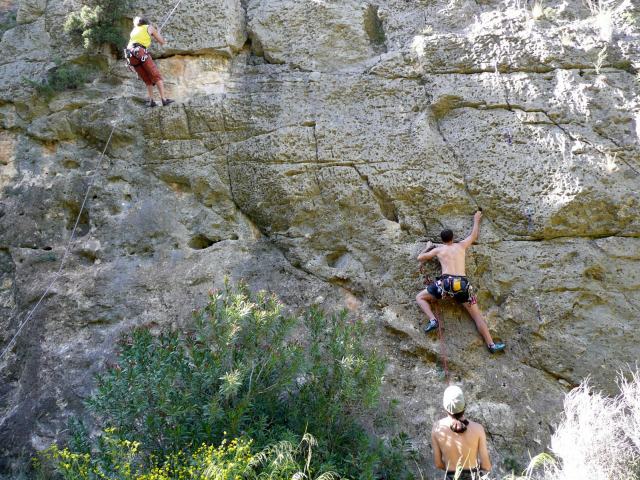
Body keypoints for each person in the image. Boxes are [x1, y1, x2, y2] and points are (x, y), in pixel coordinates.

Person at [416, 210, 505, 353]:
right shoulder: (461, 245)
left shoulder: (439, 250)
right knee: (477, 316)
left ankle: (433, 320)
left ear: (442, 240)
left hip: (446, 285)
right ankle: (491, 345)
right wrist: (476, 219)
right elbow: (474, 235)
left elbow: (420, 258)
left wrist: (428, 247)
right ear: (453, 238)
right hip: (462, 286)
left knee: (419, 297)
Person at [431, 385, 492, 479]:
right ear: (464, 405)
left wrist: (452, 470)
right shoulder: (478, 429)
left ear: (445, 406)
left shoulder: (437, 429)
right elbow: (486, 466)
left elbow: (438, 464)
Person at [126, 16, 174, 107]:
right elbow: (162, 42)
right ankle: (163, 99)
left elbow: (132, 43)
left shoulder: (134, 31)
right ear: (146, 22)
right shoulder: (149, 27)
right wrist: (157, 34)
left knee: (147, 79)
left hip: (130, 55)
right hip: (140, 52)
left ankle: (152, 101)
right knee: (156, 76)